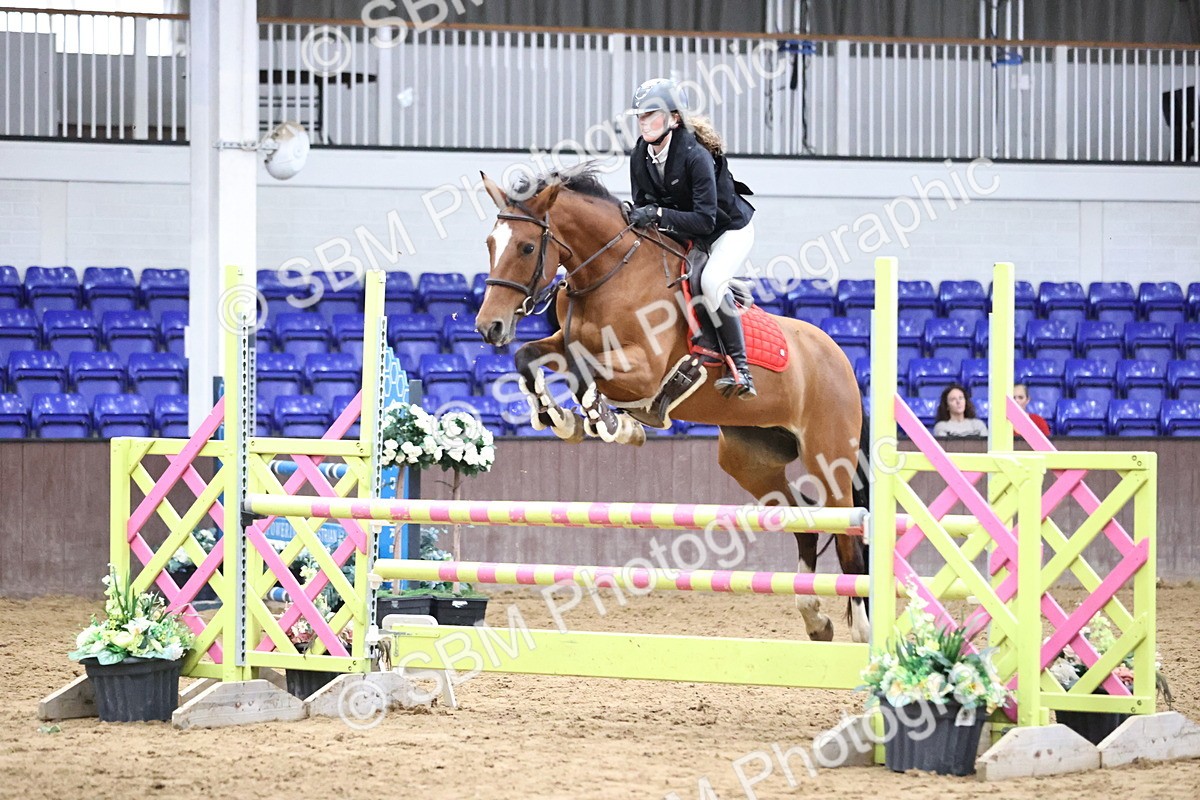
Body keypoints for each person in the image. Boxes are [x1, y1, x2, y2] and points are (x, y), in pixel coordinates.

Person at [625, 78, 757, 399]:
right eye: (640, 116)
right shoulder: (639, 155)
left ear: (674, 118)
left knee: (711, 281)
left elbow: (704, 219)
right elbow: (645, 207)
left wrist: (656, 215)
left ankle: (741, 369)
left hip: (726, 230)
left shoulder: (695, 156)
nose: (644, 123)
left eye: (652, 114)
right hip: (686, 229)